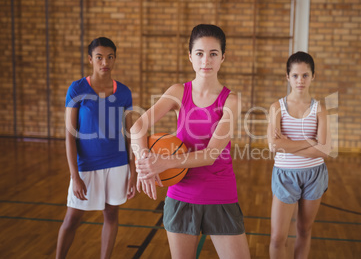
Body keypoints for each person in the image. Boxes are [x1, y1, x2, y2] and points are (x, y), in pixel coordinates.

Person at [131, 24, 250, 259]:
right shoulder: (178, 92)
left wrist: (164, 163)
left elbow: (211, 154)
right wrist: (145, 162)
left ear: (222, 57)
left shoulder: (231, 100)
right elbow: (138, 127)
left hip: (220, 191)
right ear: (190, 57)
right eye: (199, 53)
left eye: (213, 54)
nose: (206, 60)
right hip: (182, 192)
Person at [56, 37, 137, 259]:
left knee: (111, 214)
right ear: (91, 59)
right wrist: (75, 175)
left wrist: (134, 171)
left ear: (115, 59)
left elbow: (131, 135)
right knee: (72, 218)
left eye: (110, 57)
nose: (105, 62)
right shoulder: (77, 89)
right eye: (100, 57)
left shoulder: (124, 92)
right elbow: (69, 136)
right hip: (86, 164)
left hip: (117, 163)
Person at [267, 51, 332, 259]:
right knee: (277, 237)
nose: (300, 80)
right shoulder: (277, 108)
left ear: (313, 76)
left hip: (314, 174)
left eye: (305, 75)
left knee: (304, 230)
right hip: (285, 174)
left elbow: (325, 150)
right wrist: (309, 142)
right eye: (295, 75)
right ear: (287, 77)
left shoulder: (320, 109)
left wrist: (289, 144)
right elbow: (273, 146)